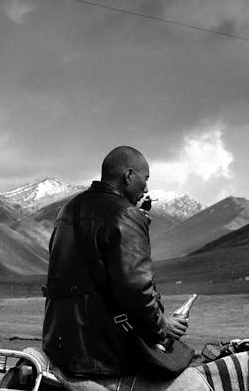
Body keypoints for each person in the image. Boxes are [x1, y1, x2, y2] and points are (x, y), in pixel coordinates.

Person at [42, 146, 188, 378]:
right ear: (129, 175)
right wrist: (162, 327)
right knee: (183, 365)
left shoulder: (68, 209)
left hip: (59, 341)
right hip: (101, 349)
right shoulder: (126, 214)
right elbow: (136, 288)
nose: (146, 189)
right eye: (145, 179)